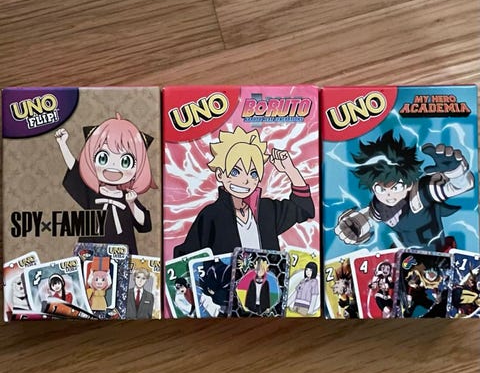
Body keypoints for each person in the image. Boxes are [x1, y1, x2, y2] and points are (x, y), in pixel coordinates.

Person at [174, 126, 314, 256]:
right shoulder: (211, 215)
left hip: (267, 274)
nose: (245, 180)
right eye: (235, 172)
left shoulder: (267, 209)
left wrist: (290, 170)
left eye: (253, 174)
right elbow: (186, 257)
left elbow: (303, 209)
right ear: (220, 174)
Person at [335, 130, 475, 251]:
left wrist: (455, 171)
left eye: (396, 188)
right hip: (405, 257)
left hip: (436, 253)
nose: (389, 194)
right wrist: (354, 225)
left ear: (409, 184)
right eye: (380, 189)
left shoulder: (422, 193)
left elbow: (461, 186)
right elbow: (368, 217)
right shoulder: (380, 205)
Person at [55, 113, 157, 255]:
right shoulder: (92, 193)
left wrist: (132, 204)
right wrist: (63, 144)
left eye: (125, 161)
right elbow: (75, 169)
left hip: (121, 254)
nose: (113, 166)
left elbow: (144, 225)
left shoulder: (128, 197)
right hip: (91, 252)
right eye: (103, 158)